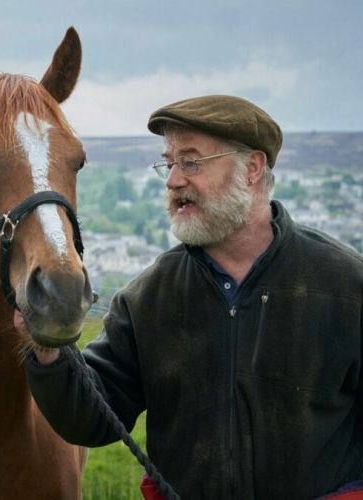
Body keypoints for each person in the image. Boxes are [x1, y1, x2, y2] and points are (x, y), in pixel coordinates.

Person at [19, 95, 363, 499]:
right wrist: (48, 352)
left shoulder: (344, 286)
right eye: (169, 162)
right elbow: (92, 417)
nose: (173, 180)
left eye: (191, 161)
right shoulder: (149, 298)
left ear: (252, 168)